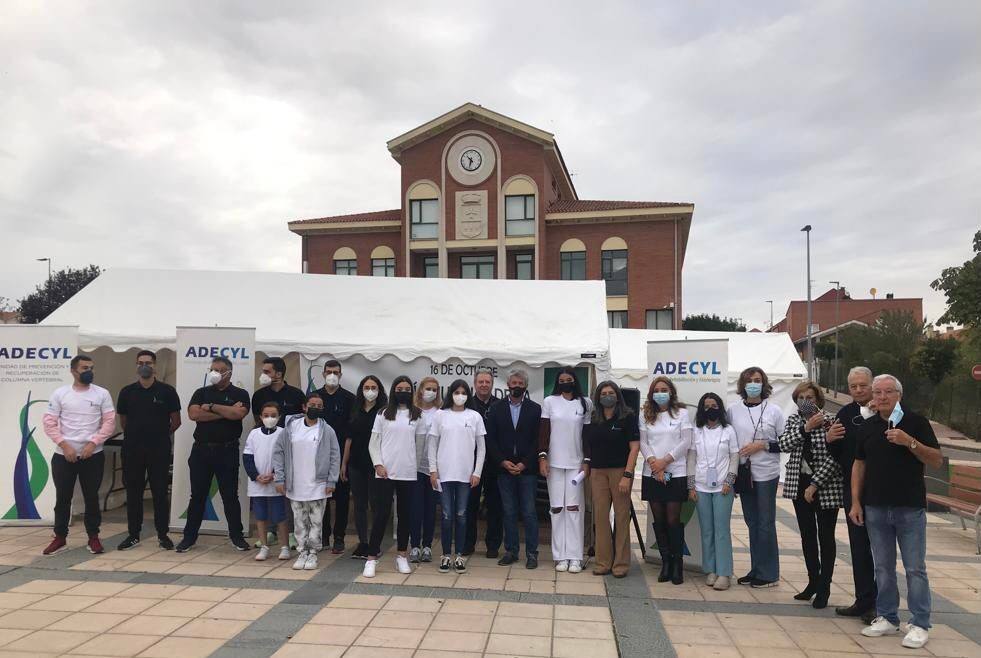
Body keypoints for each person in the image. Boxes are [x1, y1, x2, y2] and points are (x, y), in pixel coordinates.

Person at [851, 374, 943, 650]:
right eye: (877, 392)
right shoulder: (867, 427)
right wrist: (856, 502)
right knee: (882, 568)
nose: (881, 397)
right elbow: (859, 465)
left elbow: (937, 460)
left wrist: (909, 442)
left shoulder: (916, 423)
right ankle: (888, 617)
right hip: (875, 507)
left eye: (888, 391)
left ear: (899, 395)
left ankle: (920, 623)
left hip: (909, 507)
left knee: (915, 568)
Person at [42, 355, 116, 556]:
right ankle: (60, 537)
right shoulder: (60, 393)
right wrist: (64, 446)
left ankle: (93, 537)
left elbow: (109, 422)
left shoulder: (102, 394)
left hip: (92, 456)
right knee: (63, 497)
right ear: (73, 371)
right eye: (84, 367)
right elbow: (49, 422)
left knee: (91, 497)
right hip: (64, 456)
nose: (88, 371)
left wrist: (93, 444)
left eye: (91, 367)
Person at [778, 381, 843, 609]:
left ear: (818, 400)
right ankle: (812, 582)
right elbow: (783, 444)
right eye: (801, 398)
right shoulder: (795, 420)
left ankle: (824, 587)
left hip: (825, 485)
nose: (806, 401)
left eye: (810, 397)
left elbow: (835, 456)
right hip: (799, 483)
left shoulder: (831, 420)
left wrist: (815, 483)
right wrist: (805, 428)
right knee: (807, 534)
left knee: (825, 536)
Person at [176, 356, 251, 553]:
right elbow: (194, 415)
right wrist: (224, 412)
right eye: (213, 369)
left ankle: (237, 536)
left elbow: (238, 415)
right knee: (198, 496)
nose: (215, 373)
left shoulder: (240, 393)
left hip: (227, 451)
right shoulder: (201, 392)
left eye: (219, 369)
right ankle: (189, 538)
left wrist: (211, 407)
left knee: (230, 496)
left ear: (229, 373)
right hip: (201, 451)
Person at [827, 366, 879, 623]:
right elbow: (839, 456)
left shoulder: (885, 409)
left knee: (881, 548)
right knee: (859, 547)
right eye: (853, 386)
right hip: (853, 489)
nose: (858, 390)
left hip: (882, 488)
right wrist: (830, 439)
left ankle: (880, 604)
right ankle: (863, 600)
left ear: (872, 384)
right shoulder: (845, 413)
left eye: (863, 385)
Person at [115, 350, 181, 551]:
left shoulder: (167, 391)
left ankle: (163, 535)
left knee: (160, 493)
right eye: (141, 362)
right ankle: (133, 534)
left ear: (155, 366)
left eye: (149, 363)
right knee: (133, 493)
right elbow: (123, 421)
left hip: (159, 450)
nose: (145, 365)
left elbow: (176, 421)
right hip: (133, 450)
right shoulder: (127, 392)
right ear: (136, 365)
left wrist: (158, 434)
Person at [363, 376, 428, 578]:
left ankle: (401, 555)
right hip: (384, 473)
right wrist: (378, 464)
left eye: (407, 389)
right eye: (399, 388)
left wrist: (413, 466)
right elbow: (373, 443)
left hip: (407, 473)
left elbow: (420, 446)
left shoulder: (418, 415)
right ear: (393, 390)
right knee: (381, 515)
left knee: (405, 515)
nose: (403, 392)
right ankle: (372, 558)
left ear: (412, 392)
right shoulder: (383, 413)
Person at [729, 366, 785, 588]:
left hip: (766, 473)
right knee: (751, 522)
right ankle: (756, 569)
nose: (754, 383)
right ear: (743, 385)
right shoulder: (733, 410)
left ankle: (770, 573)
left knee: (765, 523)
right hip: (744, 474)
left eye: (757, 380)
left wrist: (761, 445)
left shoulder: (774, 411)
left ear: (764, 383)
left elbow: (785, 442)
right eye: (749, 380)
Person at [273, 393, 340, 570]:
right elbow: (278, 452)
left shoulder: (327, 430)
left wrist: (331, 481)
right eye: (312, 405)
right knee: (299, 521)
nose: (315, 408)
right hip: (295, 484)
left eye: (319, 406)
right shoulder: (291, 427)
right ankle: (302, 552)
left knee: (316, 521)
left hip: (318, 484)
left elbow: (334, 456)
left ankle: (313, 554)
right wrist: (279, 477)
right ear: (304, 407)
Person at [428, 380, 487, 574]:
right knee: (446, 516)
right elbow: (432, 444)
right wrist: (433, 470)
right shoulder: (440, 415)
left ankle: (460, 555)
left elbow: (482, 448)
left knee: (462, 515)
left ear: (468, 395)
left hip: (465, 475)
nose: (459, 395)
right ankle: (446, 555)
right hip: (444, 474)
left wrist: (477, 472)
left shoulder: (475, 416)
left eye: (463, 392)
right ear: (450, 394)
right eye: (456, 392)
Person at [486, 369, 542, 569]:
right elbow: (490, 440)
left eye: (520, 383)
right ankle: (511, 551)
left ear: (525, 386)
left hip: (527, 469)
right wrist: (502, 461)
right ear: (507, 385)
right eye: (513, 383)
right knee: (508, 512)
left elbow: (539, 440)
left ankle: (532, 553)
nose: (516, 386)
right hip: (504, 469)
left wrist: (525, 462)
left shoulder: (536, 409)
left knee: (528, 512)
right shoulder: (496, 408)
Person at [538, 367, 592, 573]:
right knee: (557, 509)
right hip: (554, 463)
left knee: (574, 509)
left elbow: (587, 435)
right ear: (557, 382)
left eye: (569, 379)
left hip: (577, 464)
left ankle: (575, 557)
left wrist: (587, 460)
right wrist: (542, 457)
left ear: (575, 381)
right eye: (562, 380)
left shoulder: (585, 403)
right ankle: (560, 556)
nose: (565, 382)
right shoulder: (549, 402)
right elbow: (544, 432)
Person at [639, 376, 692, 584]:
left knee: (673, 520)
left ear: (671, 392)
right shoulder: (646, 415)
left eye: (664, 389)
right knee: (659, 519)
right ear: (652, 394)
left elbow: (686, 441)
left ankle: (677, 565)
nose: (660, 392)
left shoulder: (682, 413)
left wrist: (665, 461)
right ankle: (666, 563)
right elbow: (643, 443)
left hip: (675, 471)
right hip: (652, 472)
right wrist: (654, 463)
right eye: (656, 390)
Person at [584, 381, 639, 578]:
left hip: (620, 472)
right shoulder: (594, 418)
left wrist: (628, 474)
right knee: (600, 517)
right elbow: (588, 445)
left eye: (611, 392)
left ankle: (621, 564)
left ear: (617, 395)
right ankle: (603, 562)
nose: (607, 395)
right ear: (598, 397)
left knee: (622, 516)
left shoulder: (628, 416)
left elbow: (634, 447)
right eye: (603, 393)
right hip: (598, 472)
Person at [687, 393, 738, 591]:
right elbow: (691, 458)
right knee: (707, 530)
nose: (711, 409)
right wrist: (691, 485)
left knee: (721, 531)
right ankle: (710, 570)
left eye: (714, 405)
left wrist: (729, 480)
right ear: (702, 409)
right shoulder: (696, 431)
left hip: (723, 487)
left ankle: (724, 573)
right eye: (706, 406)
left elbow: (734, 457)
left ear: (720, 408)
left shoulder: (728, 430)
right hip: (700, 486)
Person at [342, 375, 387, 560]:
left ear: (379, 389)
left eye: (373, 387)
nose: (370, 390)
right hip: (356, 463)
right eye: (366, 387)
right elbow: (348, 439)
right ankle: (363, 541)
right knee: (359, 505)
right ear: (361, 389)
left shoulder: (384, 411)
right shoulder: (355, 409)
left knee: (376, 504)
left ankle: (375, 543)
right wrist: (344, 464)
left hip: (376, 464)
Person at [314, 360, 356, 554]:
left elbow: (350, 433)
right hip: (317, 456)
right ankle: (323, 535)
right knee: (321, 498)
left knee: (341, 499)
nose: (332, 375)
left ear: (341, 374)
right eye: (329, 371)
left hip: (341, 455)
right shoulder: (315, 398)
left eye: (336, 372)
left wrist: (344, 462)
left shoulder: (349, 398)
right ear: (323, 374)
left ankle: (339, 537)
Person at [244, 402, 290, 562]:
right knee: (260, 515)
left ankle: (285, 547)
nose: (269, 418)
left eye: (273, 416)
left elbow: (287, 458)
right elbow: (247, 457)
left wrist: (274, 475)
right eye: (266, 415)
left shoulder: (284, 433)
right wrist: (256, 476)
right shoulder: (254, 434)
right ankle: (264, 546)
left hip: (276, 481)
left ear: (279, 417)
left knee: (280, 515)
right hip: (257, 482)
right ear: (260, 417)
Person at [465, 367, 503, 558]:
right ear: (475, 383)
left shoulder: (499, 405)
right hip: (470, 464)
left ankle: (493, 545)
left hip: (495, 464)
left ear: (492, 384)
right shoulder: (466, 404)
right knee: (469, 505)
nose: (484, 385)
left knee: (495, 506)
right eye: (481, 382)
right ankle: (468, 543)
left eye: (487, 382)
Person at [409, 376, 441, 563]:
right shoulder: (413, 412)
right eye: (428, 388)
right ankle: (414, 546)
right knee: (415, 508)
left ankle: (427, 545)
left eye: (435, 389)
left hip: (434, 469)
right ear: (420, 390)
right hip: (414, 468)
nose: (431, 392)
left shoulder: (440, 412)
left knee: (430, 509)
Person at [251, 356, 305, 427]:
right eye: (263, 372)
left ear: (279, 374)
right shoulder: (258, 395)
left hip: (290, 436)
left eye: (267, 372)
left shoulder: (297, 394)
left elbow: (302, 419)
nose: (263, 375)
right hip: (267, 436)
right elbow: (258, 420)